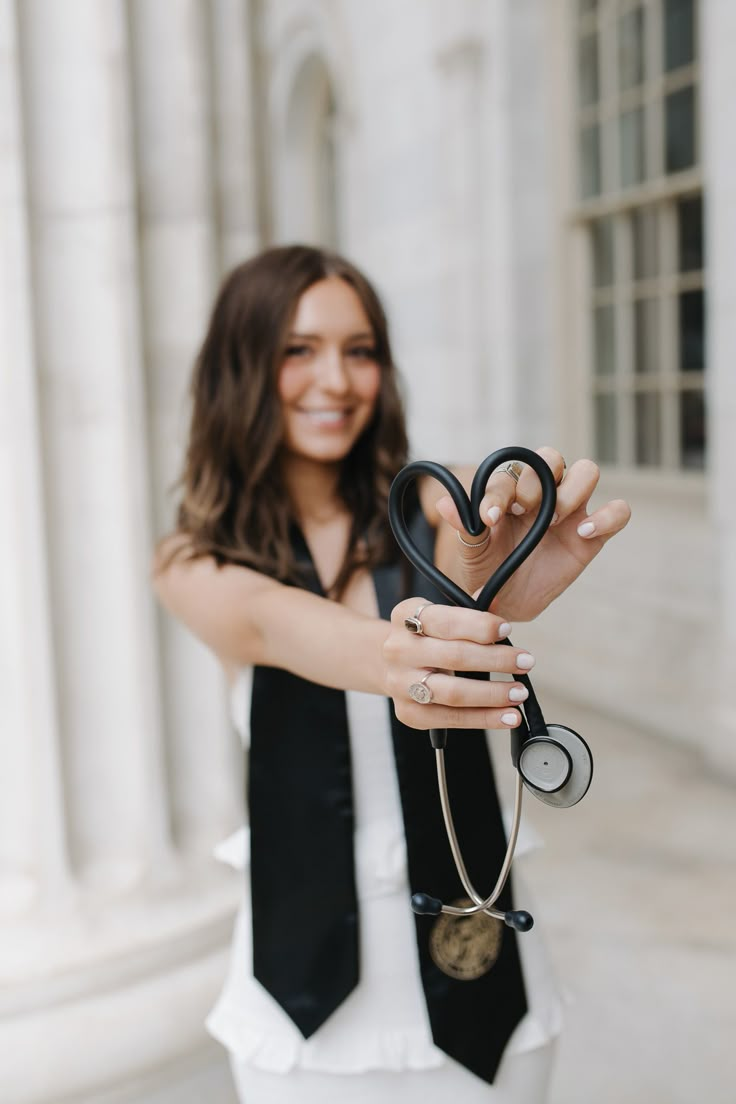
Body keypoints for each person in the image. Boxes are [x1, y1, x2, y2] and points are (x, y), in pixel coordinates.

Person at [152, 244, 630, 1104]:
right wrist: (406, 651)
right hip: (303, 1005)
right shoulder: (196, 561)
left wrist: (499, 562)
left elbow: (469, 569)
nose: (334, 379)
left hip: (486, 983)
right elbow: (278, 624)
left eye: (360, 349)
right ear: (241, 366)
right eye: (297, 349)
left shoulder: (428, 515)